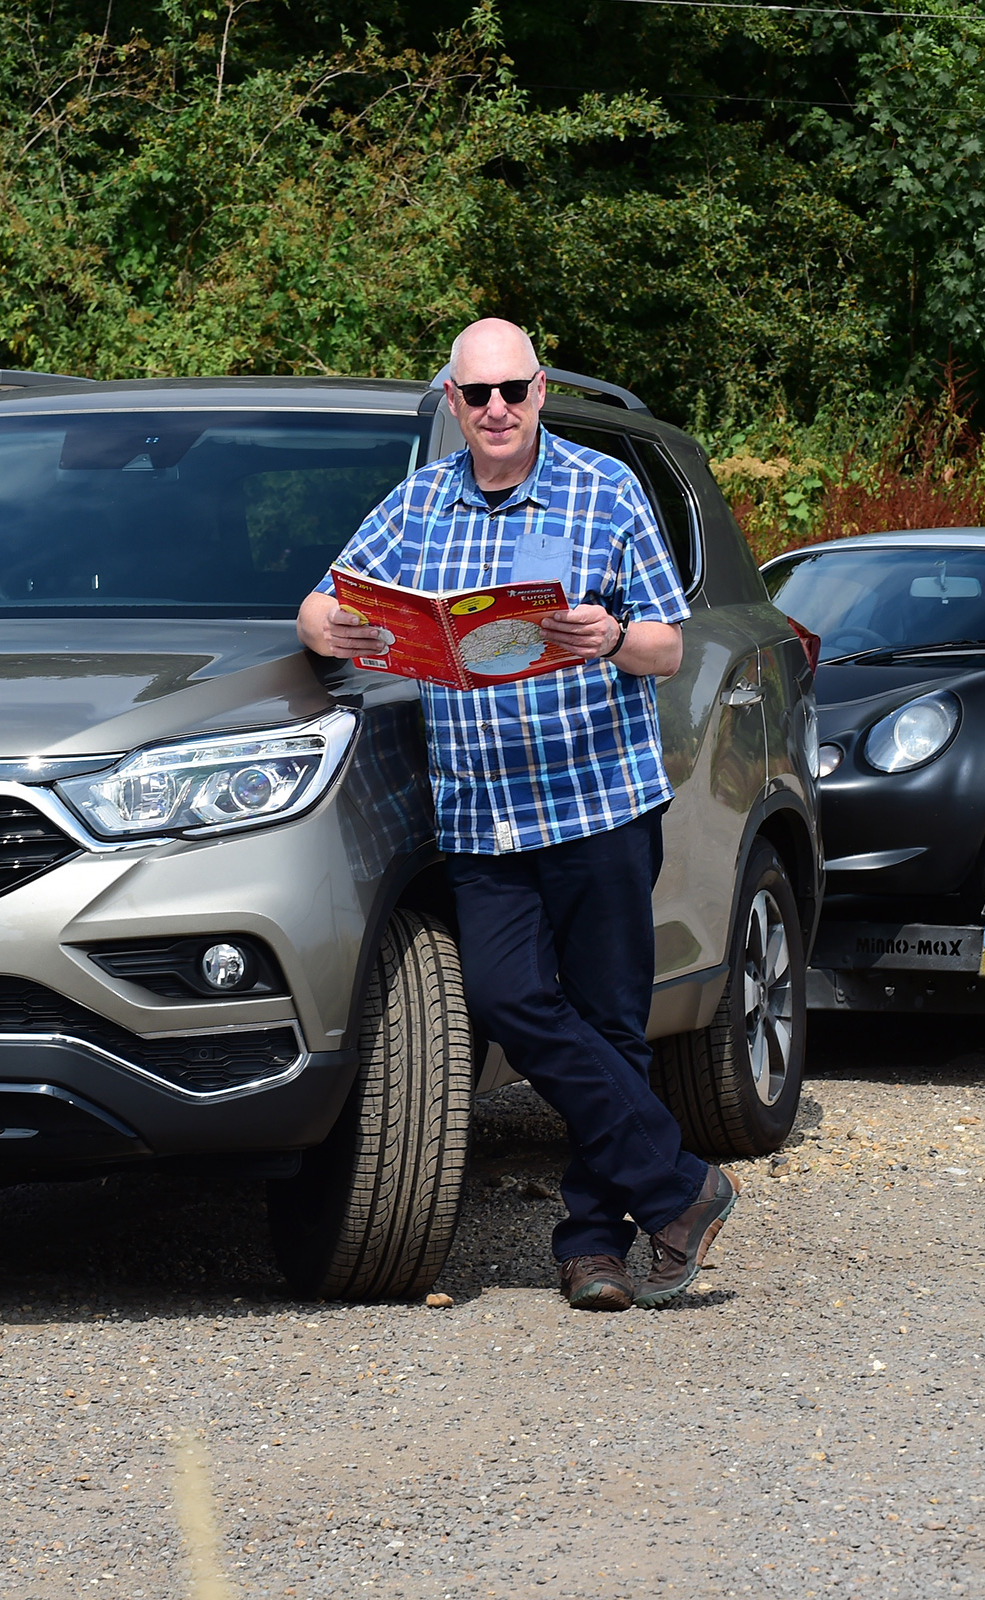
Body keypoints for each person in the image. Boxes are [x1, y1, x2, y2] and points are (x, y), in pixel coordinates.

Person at [297, 318, 737, 1311]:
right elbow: (316, 608)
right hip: (484, 812)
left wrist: (613, 634)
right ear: (452, 404)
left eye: (513, 391)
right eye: (477, 394)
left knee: (612, 1024)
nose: (496, 410)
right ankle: (678, 1187)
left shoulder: (605, 490)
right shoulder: (419, 504)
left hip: (600, 802)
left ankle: (593, 1245)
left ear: (540, 392)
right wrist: (342, 624)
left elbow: (669, 646)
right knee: (505, 1004)